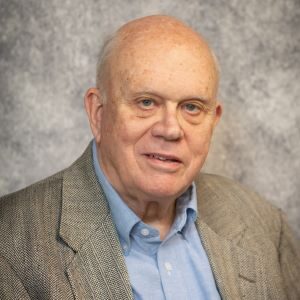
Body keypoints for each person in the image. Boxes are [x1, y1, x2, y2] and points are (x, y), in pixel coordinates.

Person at [0, 15, 299, 300]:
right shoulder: (11, 243)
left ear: (213, 119)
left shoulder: (264, 222)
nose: (170, 129)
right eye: (146, 102)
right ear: (98, 113)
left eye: (192, 107)